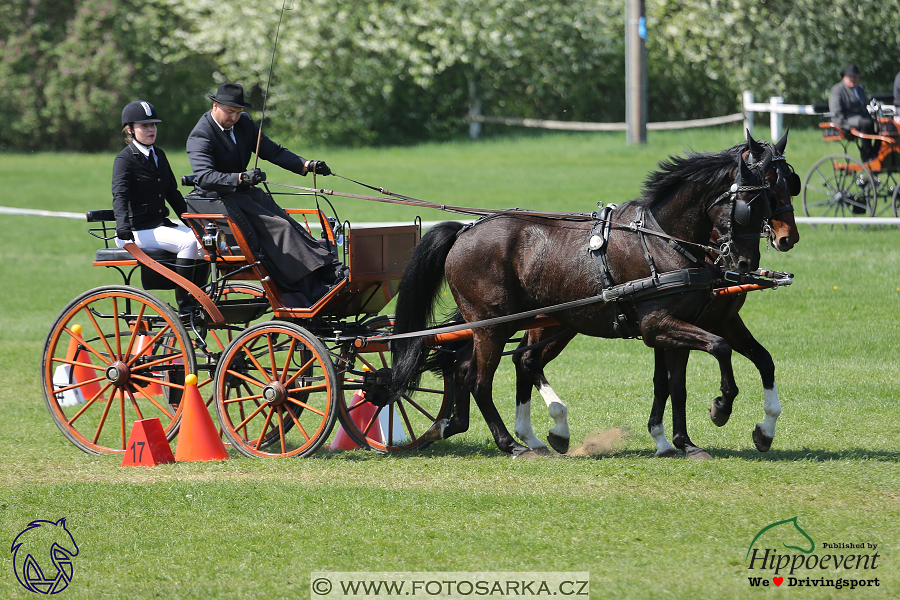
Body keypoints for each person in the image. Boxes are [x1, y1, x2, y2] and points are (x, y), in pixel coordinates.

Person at [185, 82, 344, 305]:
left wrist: (306, 165)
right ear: (215, 106)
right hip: (220, 200)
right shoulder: (201, 135)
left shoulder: (244, 123)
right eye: (230, 112)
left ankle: (330, 273)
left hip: (245, 195)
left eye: (239, 113)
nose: (234, 118)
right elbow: (205, 177)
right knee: (282, 228)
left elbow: (272, 151)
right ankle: (311, 288)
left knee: (290, 223)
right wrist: (240, 178)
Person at [113, 100, 206, 317]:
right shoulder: (124, 160)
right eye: (144, 126)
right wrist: (122, 228)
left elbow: (172, 194)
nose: (151, 129)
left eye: (153, 125)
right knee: (189, 242)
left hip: (158, 227)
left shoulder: (159, 155)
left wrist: (194, 223)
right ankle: (185, 306)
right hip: (135, 231)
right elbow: (120, 195)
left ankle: (199, 298)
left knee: (203, 242)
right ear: (130, 129)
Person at [829, 65, 879, 162]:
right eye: (850, 77)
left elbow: (864, 108)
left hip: (861, 118)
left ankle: (877, 154)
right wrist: (846, 126)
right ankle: (867, 156)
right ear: (844, 77)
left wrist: (875, 121)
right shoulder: (837, 90)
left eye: (855, 77)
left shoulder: (860, 89)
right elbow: (836, 112)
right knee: (866, 123)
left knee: (882, 126)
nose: (853, 79)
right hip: (846, 120)